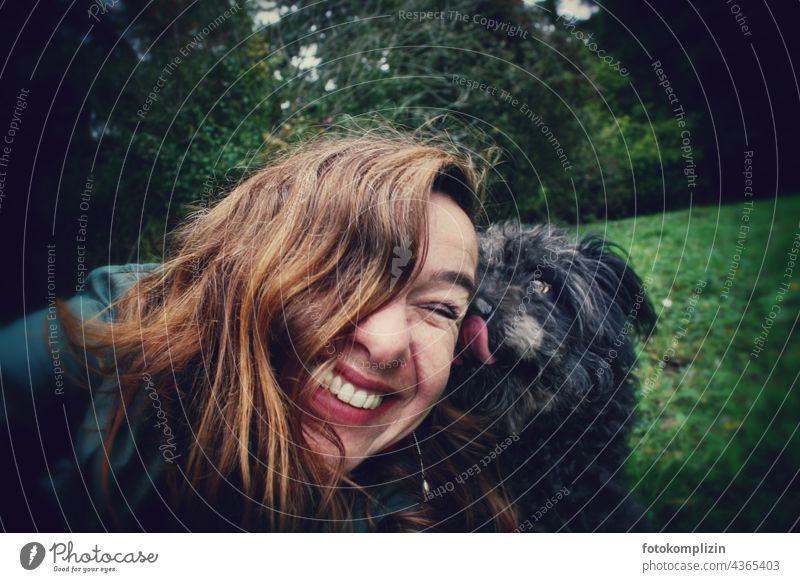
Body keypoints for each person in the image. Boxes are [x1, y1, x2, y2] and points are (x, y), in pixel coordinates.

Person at [0, 132, 518, 532]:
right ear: (240, 273)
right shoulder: (106, 343)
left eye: (441, 308)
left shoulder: (459, 501)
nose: (385, 344)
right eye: (344, 273)